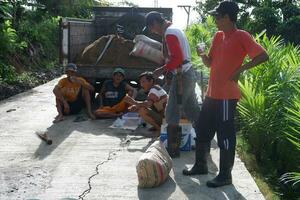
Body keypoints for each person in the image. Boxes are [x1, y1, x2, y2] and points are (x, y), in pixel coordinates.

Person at [182, 1, 269, 188]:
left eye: (217, 16)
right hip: (212, 94)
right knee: (203, 130)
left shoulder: (242, 36)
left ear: (227, 17)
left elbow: (263, 55)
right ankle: (200, 165)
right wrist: (202, 55)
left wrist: (241, 69)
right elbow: (209, 63)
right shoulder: (218, 36)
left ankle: (225, 175)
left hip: (227, 97)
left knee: (225, 136)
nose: (214, 19)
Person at [144, 11, 200, 157]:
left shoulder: (169, 33)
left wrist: (161, 70)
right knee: (192, 109)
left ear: (155, 23)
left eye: (151, 28)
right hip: (187, 73)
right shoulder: (175, 29)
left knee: (171, 112)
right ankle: (203, 141)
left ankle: (173, 150)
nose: (152, 31)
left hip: (182, 75)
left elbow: (177, 59)